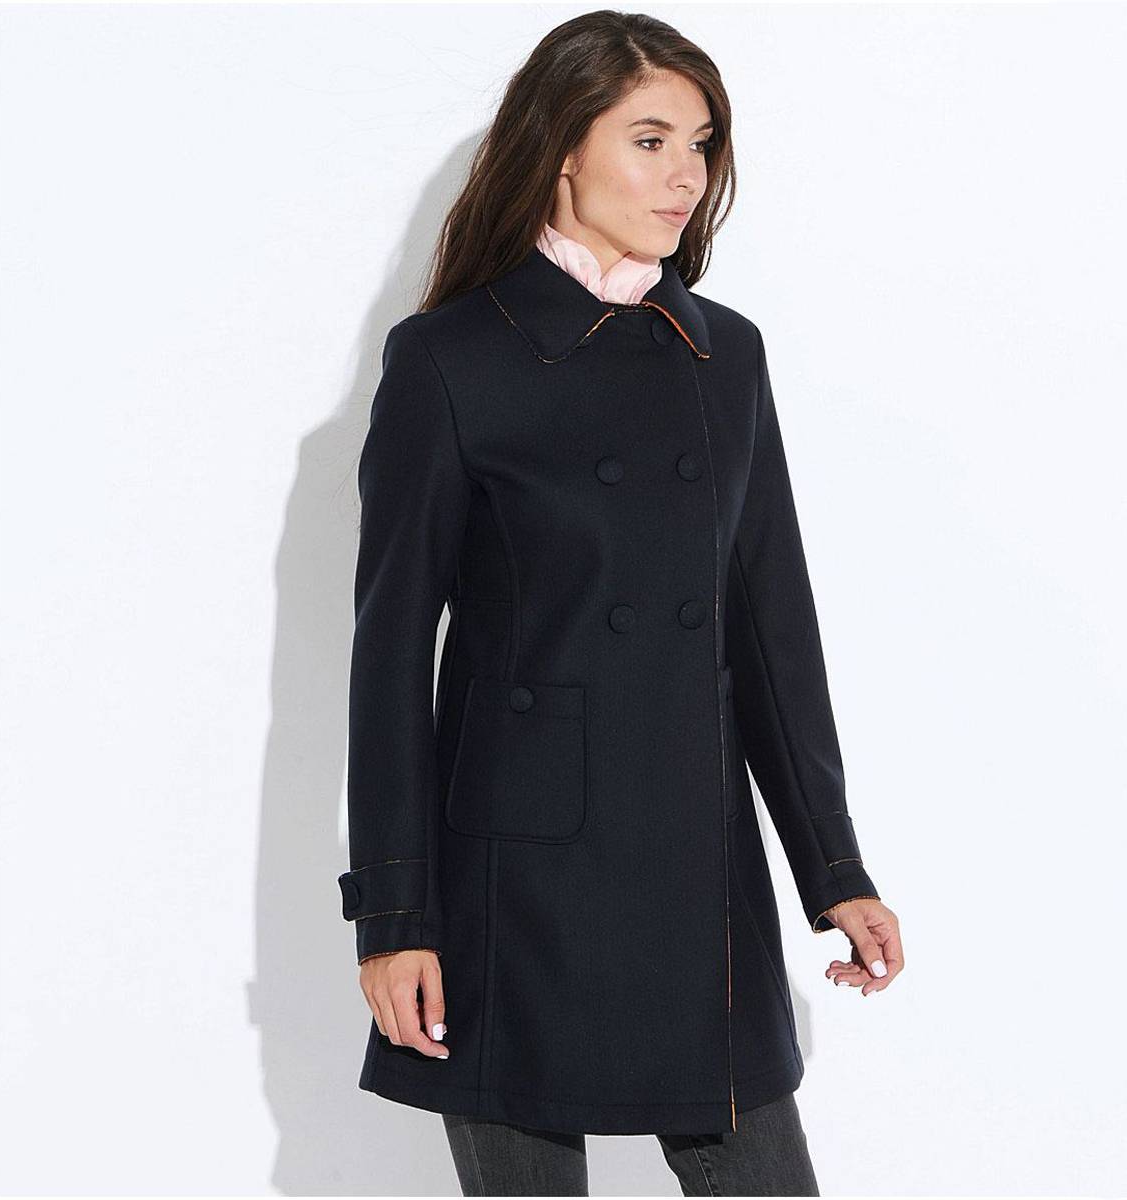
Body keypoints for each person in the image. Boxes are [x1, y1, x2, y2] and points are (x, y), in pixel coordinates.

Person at [337, 10, 904, 1196]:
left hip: (697, 873)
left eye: (700, 144)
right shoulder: (449, 358)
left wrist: (833, 866)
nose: (686, 176)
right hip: (514, 882)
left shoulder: (725, 356)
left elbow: (771, 626)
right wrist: (394, 916)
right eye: (650, 140)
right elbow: (389, 657)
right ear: (560, 148)